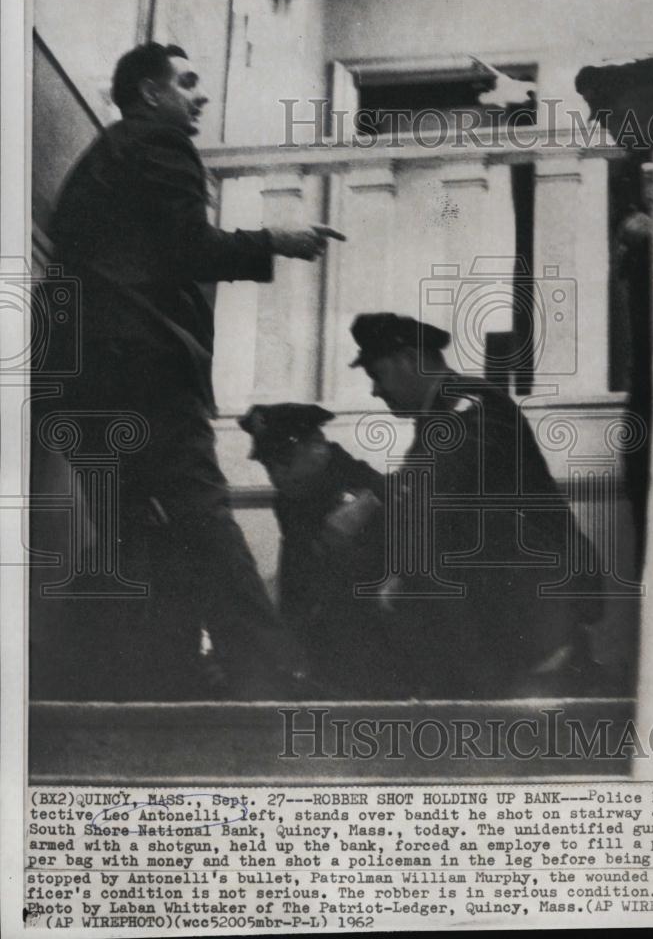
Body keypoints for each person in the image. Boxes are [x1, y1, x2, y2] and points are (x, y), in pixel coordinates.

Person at [31, 42, 344, 700]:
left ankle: (151, 675)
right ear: (150, 93)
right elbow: (188, 247)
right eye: (188, 83)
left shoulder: (101, 161)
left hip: (73, 379)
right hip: (138, 371)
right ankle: (270, 669)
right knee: (197, 507)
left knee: (134, 527)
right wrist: (276, 240)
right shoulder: (160, 142)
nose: (199, 96)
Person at [348, 312, 604, 699]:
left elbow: (439, 487)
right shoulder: (444, 414)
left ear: (407, 359)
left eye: (376, 373)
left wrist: (377, 518)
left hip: (537, 604)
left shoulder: (473, 407)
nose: (374, 390)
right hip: (510, 605)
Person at [239, 403, 411, 698]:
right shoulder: (292, 500)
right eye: (268, 465)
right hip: (321, 654)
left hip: (373, 657)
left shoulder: (362, 490)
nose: (277, 474)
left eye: (283, 459)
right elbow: (296, 577)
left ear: (318, 447)